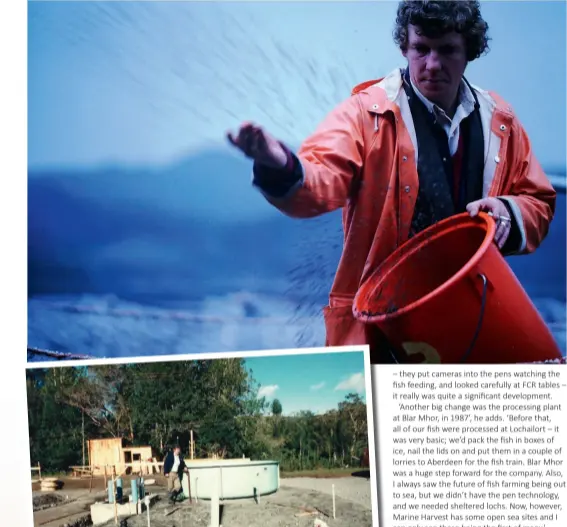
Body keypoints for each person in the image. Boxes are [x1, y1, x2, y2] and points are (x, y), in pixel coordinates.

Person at [227, 0, 555, 360]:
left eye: (446, 50)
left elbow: (537, 200)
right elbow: (319, 179)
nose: (432, 64)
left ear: (470, 51)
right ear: (404, 46)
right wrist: (278, 162)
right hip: (382, 330)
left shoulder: (501, 119)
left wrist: (507, 212)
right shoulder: (364, 113)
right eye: (421, 49)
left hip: (476, 322)